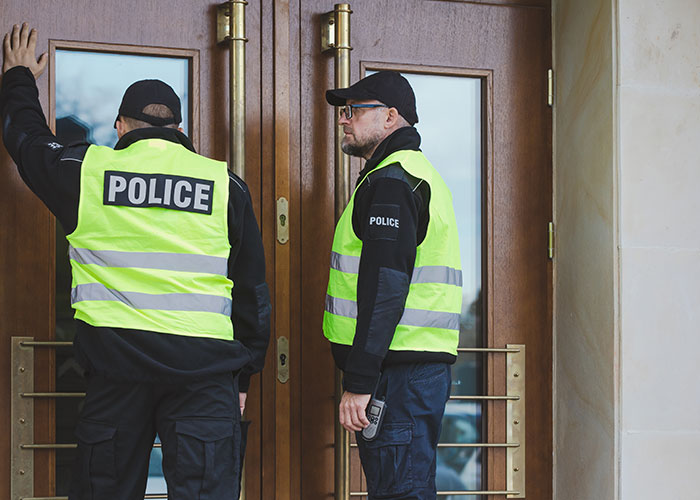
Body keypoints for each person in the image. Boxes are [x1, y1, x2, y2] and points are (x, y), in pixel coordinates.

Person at [1, 23, 270, 499]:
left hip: (117, 370)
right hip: (205, 376)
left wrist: (19, 76)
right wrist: (244, 374)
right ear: (180, 130)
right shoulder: (225, 185)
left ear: (121, 126)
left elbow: (24, 139)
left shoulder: (86, 171)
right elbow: (252, 290)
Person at [323, 71, 462, 499]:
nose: (343, 120)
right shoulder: (409, 174)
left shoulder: (392, 181)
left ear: (390, 117)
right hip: (408, 372)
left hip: (397, 375)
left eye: (353, 111)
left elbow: (386, 286)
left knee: (400, 491)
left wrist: (359, 381)